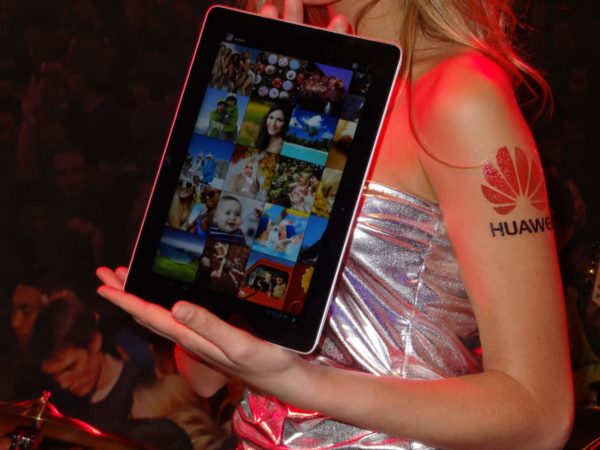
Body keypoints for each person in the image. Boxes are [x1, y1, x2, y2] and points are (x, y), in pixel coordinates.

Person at [96, 1, 574, 449]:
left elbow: (541, 413)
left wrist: (299, 382)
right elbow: (204, 376)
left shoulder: (459, 95)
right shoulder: (303, 79)